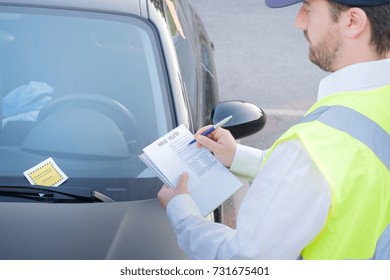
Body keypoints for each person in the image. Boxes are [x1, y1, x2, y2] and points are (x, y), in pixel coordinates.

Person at [158, 0, 390, 260]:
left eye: (309, 8)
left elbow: (244, 261)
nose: (298, 21)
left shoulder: (314, 148)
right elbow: (343, 177)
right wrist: (237, 156)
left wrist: (182, 214)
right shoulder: (371, 108)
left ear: (353, 22)